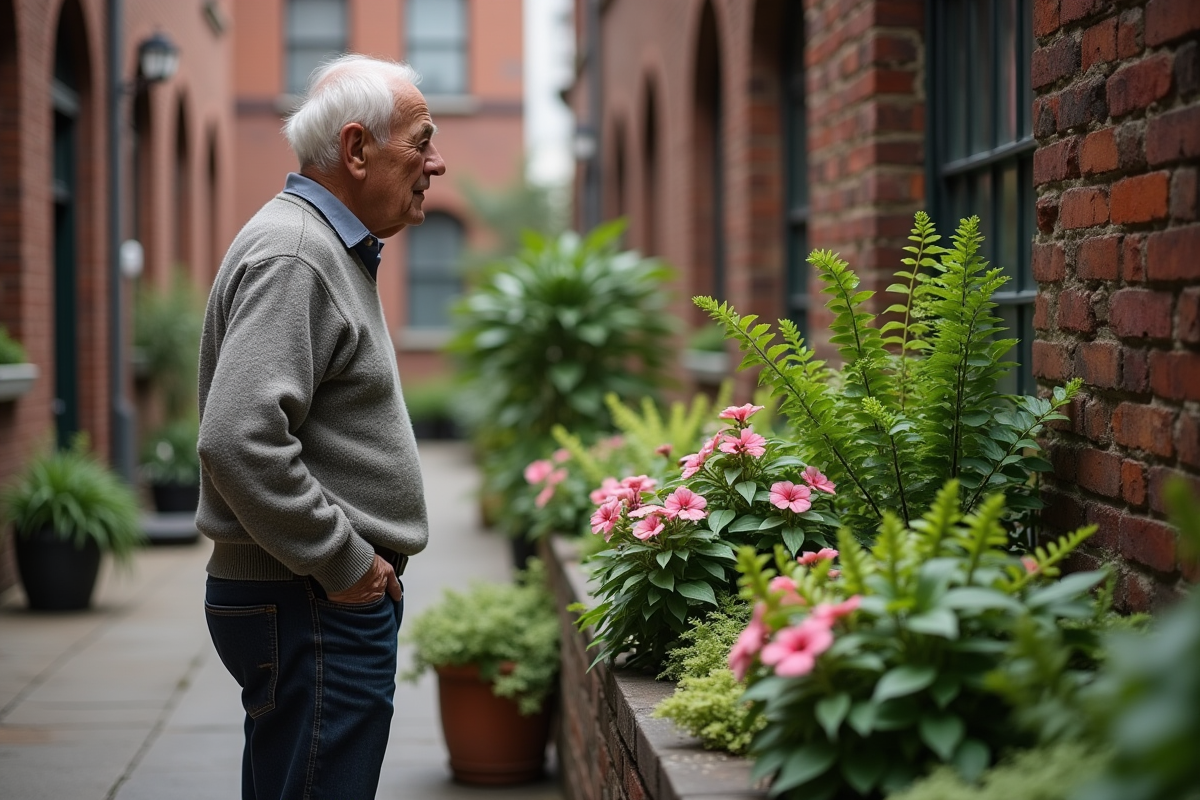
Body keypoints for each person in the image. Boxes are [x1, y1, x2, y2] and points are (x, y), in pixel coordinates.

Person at [196, 54, 446, 800]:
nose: (436, 163)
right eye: (422, 142)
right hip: (312, 601)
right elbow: (238, 437)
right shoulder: (299, 254)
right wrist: (347, 565)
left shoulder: (318, 247)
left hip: (307, 598)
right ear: (356, 148)